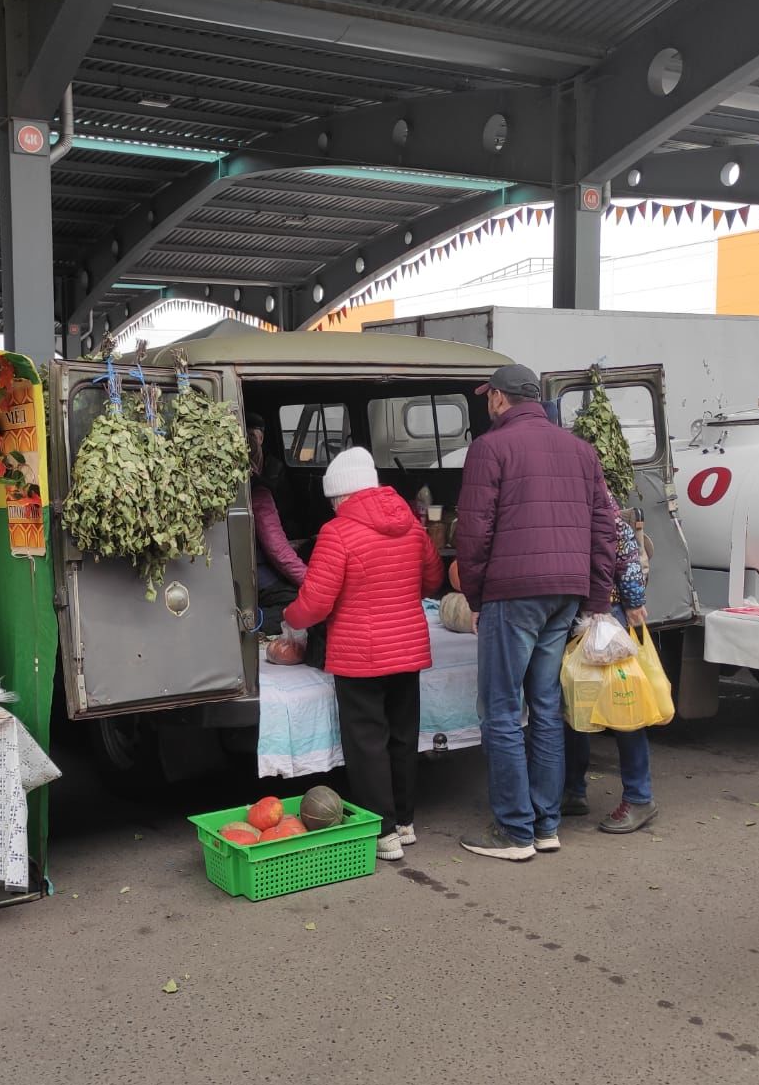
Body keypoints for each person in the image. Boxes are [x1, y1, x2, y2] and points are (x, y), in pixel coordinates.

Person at [455, 364, 618, 862]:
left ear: (500, 399)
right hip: (565, 593)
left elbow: (473, 531)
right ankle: (546, 824)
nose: (489, 403)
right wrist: (594, 600)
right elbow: (604, 527)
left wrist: (477, 598)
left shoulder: (489, 447)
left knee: (502, 711)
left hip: (512, 592)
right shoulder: (580, 450)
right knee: (546, 707)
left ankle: (514, 830)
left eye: (489, 396)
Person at [285, 447, 443, 862]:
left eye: (333, 500)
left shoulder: (337, 534)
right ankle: (405, 821)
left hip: (359, 656)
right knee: (403, 735)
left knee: (367, 741)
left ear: (342, 495)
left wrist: (288, 615)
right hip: (408, 649)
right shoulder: (411, 525)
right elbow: (432, 580)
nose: (333, 507)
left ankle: (383, 831)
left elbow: (315, 604)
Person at [562, 492, 656, 833]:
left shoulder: (601, 506)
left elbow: (628, 555)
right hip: (575, 614)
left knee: (622, 707)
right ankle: (572, 790)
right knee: (575, 705)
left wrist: (632, 601)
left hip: (607, 617)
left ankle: (639, 796)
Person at [246, 414, 307, 635]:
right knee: (297, 602)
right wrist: (311, 583)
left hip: (236, 574)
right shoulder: (258, 493)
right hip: (258, 578)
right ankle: (252, 621)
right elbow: (278, 552)